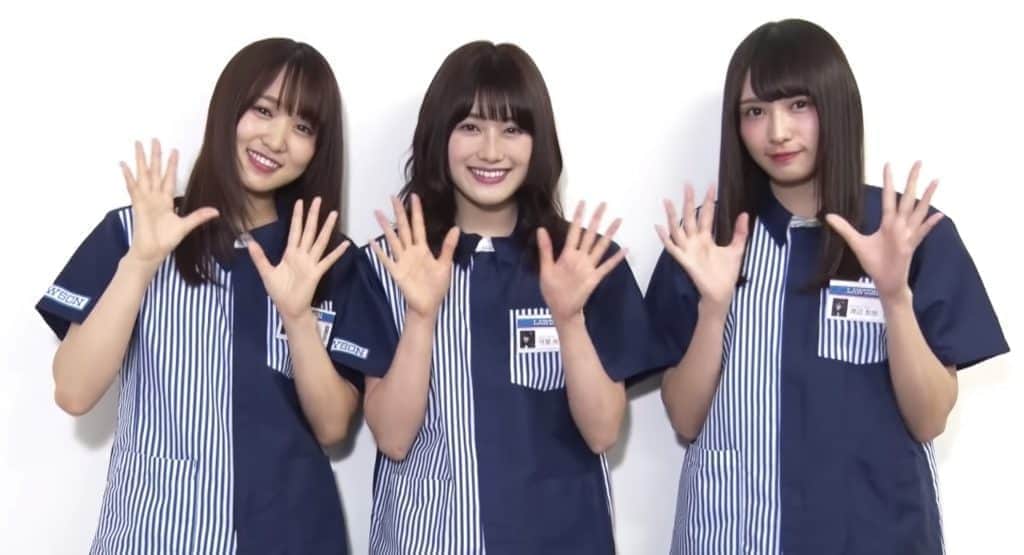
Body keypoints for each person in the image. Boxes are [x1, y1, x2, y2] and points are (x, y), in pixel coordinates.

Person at [647, 19, 1009, 554]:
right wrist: (714, 307)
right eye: (754, 112)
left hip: (875, 534)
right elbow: (683, 418)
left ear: (836, 106)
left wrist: (894, 297)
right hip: (736, 532)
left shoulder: (908, 233)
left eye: (799, 105)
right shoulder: (706, 240)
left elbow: (930, 417)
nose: (777, 132)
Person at [328, 40, 667, 554]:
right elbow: (392, 439)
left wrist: (569, 319)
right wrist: (421, 315)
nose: (491, 151)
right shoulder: (387, 264)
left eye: (512, 129)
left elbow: (602, 433)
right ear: (439, 135)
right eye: (470, 127)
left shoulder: (585, 262)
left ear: (538, 142)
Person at [36, 38, 359, 554]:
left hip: (291, 535)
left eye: (303, 127)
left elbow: (332, 427)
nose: (277, 139)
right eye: (263, 110)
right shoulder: (135, 232)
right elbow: (73, 391)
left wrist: (298, 317)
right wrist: (141, 262)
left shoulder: (327, 257)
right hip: (157, 532)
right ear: (229, 107)